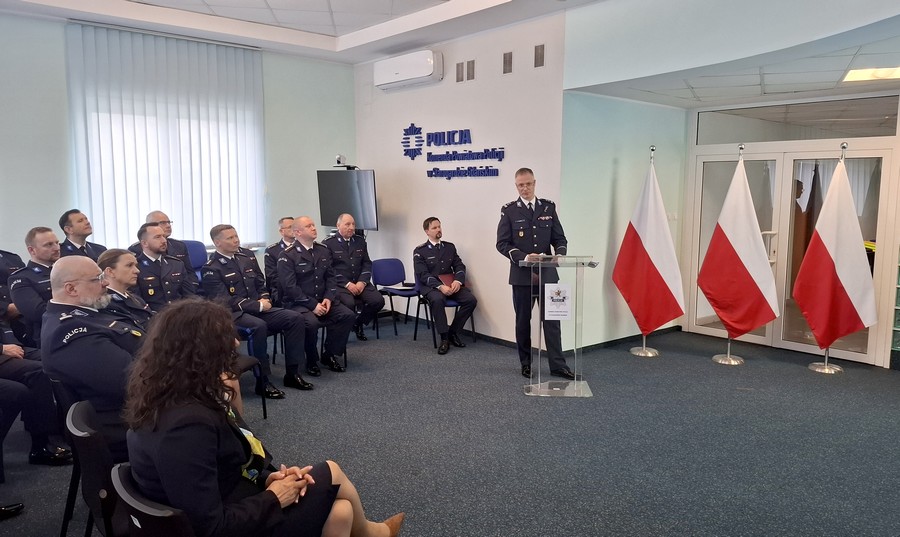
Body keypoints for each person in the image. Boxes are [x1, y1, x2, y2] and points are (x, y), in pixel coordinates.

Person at [124, 299, 405, 537]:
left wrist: (268, 478)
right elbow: (210, 526)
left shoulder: (171, 395)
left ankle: (374, 533)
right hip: (226, 522)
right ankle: (376, 533)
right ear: (200, 351)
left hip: (233, 494)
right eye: (225, 337)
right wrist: (274, 497)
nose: (236, 343)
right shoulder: (185, 426)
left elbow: (224, 467)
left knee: (341, 512)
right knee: (331, 472)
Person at [41, 256, 145, 461]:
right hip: (128, 422)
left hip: (138, 406)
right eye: (98, 279)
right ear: (71, 289)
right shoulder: (70, 331)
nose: (105, 283)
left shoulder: (89, 312)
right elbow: (132, 382)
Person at [203, 224, 312, 395]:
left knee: (294, 318)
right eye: (230, 238)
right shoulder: (211, 268)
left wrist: (265, 298)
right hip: (234, 315)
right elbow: (224, 300)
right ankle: (262, 381)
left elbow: (261, 283)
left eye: (236, 236)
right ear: (217, 243)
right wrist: (258, 305)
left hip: (259, 308)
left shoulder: (246, 257)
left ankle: (293, 373)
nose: (236, 240)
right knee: (258, 326)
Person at [495, 167, 575, 380]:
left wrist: (559, 254)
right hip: (522, 275)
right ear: (516, 186)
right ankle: (526, 363)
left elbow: (560, 239)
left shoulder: (548, 207)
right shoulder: (509, 211)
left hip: (548, 274)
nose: (525, 188)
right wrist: (524, 256)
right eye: (521, 185)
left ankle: (558, 365)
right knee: (523, 321)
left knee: (553, 322)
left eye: (528, 184)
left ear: (534, 183)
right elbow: (502, 244)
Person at [278, 217, 354, 377]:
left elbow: (331, 277)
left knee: (347, 315)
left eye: (313, 225)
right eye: (308, 226)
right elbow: (290, 288)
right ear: (297, 232)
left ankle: (330, 354)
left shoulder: (323, 250)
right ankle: (311, 360)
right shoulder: (287, 255)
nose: (314, 228)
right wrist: (312, 305)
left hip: (323, 300)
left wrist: (329, 297)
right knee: (311, 323)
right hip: (298, 303)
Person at [412, 218, 477, 355]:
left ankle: (452, 333)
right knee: (437, 299)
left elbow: (459, 266)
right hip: (431, 287)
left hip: (451, 284)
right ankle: (444, 338)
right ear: (427, 231)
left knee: (471, 300)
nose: (439, 229)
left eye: (439, 226)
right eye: (434, 228)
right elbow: (422, 274)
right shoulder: (420, 251)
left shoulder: (449, 247)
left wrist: (458, 281)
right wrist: (440, 286)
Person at [322, 214, 384, 341]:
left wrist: (362, 282)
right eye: (347, 224)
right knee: (348, 304)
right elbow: (329, 269)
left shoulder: (360, 241)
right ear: (338, 225)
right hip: (341, 284)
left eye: (353, 224)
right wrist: (347, 284)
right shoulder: (328, 243)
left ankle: (358, 323)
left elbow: (367, 263)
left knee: (378, 301)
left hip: (360, 282)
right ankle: (343, 333)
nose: (351, 227)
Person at [9, 227, 61, 347]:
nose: (56, 248)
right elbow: (37, 312)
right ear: (32, 250)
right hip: (49, 336)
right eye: (49, 245)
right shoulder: (21, 278)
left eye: (57, 243)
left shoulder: (66, 271)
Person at [134, 223, 197, 311]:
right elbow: (136, 302)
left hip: (179, 314)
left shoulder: (176, 264)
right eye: (158, 237)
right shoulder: (135, 267)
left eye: (164, 236)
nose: (164, 240)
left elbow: (189, 296)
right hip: (152, 316)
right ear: (144, 243)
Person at [98, 249, 154, 330]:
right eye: (129, 265)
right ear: (110, 272)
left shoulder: (136, 299)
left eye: (136, 266)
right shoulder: (105, 304)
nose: (137, 271)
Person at [128, 210, 195, 275]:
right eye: (163, 223)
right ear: (150, 225)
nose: (168, 225)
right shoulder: (135, 249)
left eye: (169, 222)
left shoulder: (179, 245)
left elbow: (190, 273)